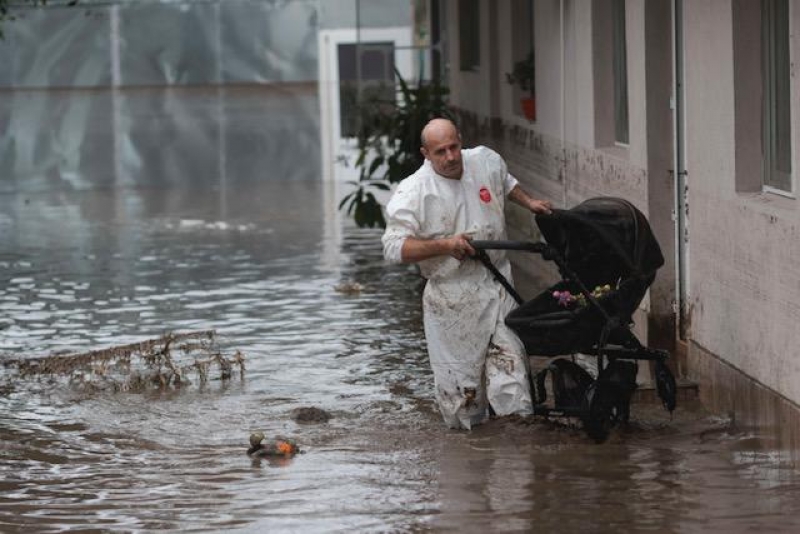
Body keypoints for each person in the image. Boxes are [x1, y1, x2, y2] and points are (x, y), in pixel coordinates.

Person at [382, 118, 553, 430]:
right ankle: (468, 457)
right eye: (440, 152)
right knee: (464, 397)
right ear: (425, 153)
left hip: (497, 283)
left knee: (512, 378)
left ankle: (514, 463)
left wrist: (530, 203)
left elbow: (506, 181)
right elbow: (394, 248)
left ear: (460, 141)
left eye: (454, 147)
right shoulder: (413, 191)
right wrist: (446, 245)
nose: (450, 157)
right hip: (452, 298)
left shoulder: (485, 160)